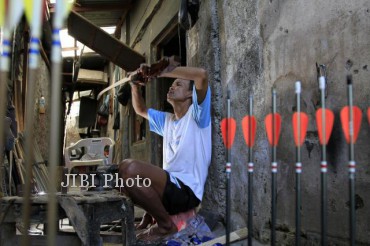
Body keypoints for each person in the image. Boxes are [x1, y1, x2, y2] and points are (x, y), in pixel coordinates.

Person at [118, 58, 212, 241]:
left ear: (189, 95)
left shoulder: (198, 116)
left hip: (186, 192)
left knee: (129, 168)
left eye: (178, 84)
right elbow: (140, 110)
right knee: (120, 176)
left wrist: (160, 71)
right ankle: (156, 217)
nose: (171, 87)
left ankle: (166, 226)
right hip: (168, 190)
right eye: (171, 84)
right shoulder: (167, 120)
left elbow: (202, 75)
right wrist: (135, 84)